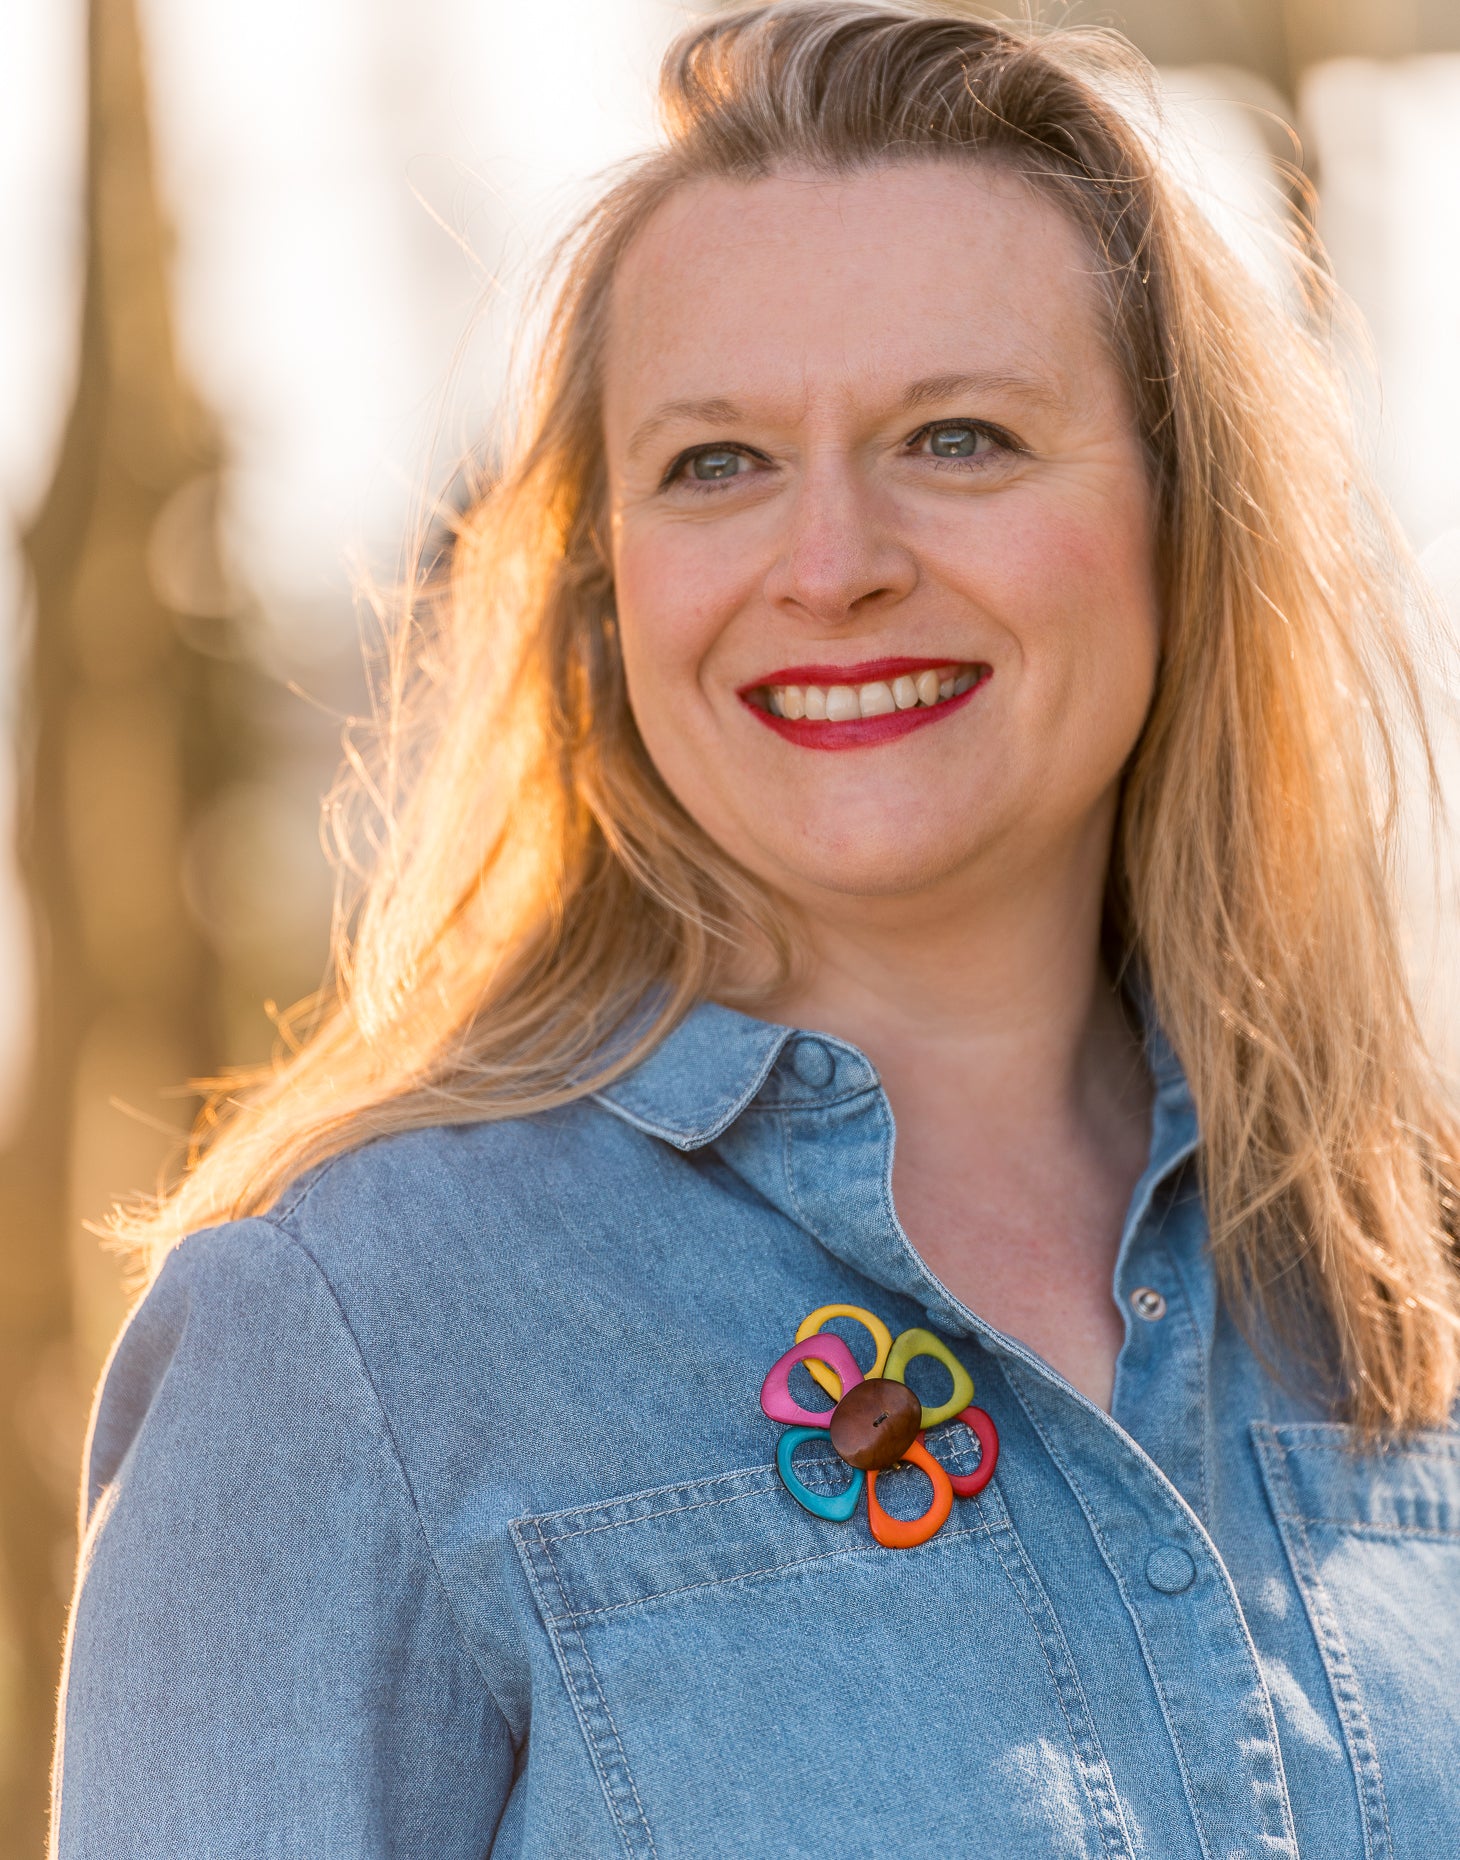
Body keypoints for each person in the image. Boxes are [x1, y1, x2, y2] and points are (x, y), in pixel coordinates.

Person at [51, 4, 1460, 1855]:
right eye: (715, 463)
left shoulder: (1405, 1272)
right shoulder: (341, 1351)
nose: (831, 562)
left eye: (958, 436)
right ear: (603, 580)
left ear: (1185, 526)